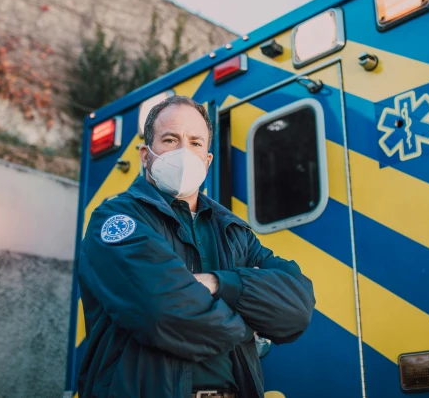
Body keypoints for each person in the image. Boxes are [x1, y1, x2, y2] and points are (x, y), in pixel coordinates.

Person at [77, 95, 316, 398]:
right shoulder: (116, 219)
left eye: (195, 142)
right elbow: (163, 312)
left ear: (208, 160)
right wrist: (248, 326)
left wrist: (218, 283)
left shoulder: (233, 230)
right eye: (170, 140)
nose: (183, 152)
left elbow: (296, 309)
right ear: (145, 155)